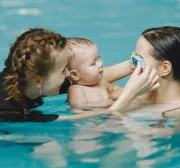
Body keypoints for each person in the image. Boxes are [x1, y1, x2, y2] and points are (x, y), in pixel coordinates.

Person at [0, 28, 159, 122]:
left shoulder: (31, 79)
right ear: (37, 81)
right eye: (63, 70)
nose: (69, 74)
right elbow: (77, 119)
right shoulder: (9, 111)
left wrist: (131, 65)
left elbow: (87, 78)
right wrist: (130, 95)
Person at [67, 37, 159, 109]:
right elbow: (80, 109)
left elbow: (118, 90)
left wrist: (141, 90)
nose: (100, 64)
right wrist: (110, 103)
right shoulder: (76, 90)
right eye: (93, 63)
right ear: (75, 75)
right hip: (90, 125)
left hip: (109, 115)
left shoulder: (101, 83)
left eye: (98, 58)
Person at [110, 26, 180, 118]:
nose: (133, 64)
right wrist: (130, 94)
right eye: (133, 57)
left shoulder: (174, 113)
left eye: (139, 59)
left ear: (164, 68)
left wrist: (129, 95)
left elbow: (100, 128)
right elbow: (94, 85)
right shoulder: (140, 94)